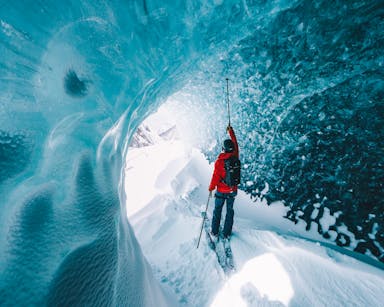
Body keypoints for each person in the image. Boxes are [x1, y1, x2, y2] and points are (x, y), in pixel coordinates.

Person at [208, 125, 239, 239]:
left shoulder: (219, 162)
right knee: (229, 211)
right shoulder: (235, 155)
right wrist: (231, 132)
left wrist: (211, 188)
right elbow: (235, 143)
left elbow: (215, 177)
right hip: (232, 190)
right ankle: (227, 233)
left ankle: (215, 231)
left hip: (221, 191)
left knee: (217, 210)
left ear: (224, 149)